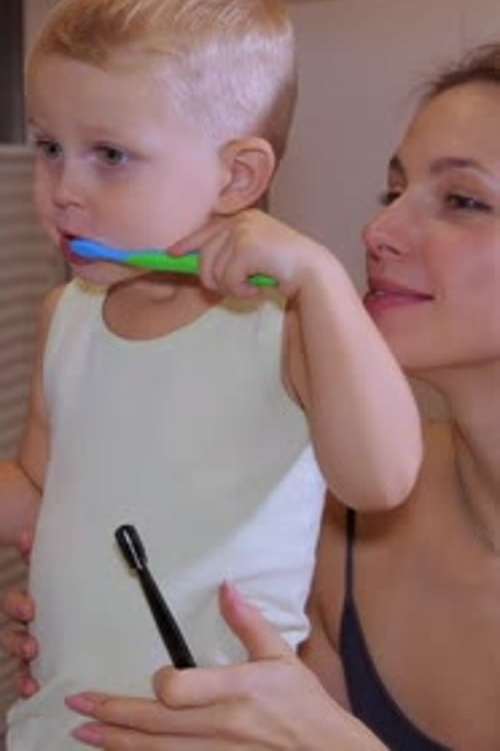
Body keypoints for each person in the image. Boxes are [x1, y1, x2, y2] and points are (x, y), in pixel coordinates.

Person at [6, 41, 498, 750]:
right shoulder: (327, 517)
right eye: (392, 192)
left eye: (463, 201)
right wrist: (96, 622)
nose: (378, 232)